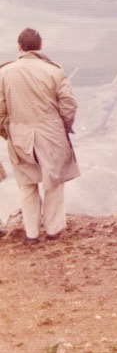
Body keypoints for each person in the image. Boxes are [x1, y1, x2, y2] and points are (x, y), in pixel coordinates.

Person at [0, 28, 80, 245]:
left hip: (19, 135)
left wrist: (8, 131)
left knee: (27, 184)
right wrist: (62, 126)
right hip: (52, 133)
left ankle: (31, 234)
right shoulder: (54, 71)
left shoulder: (4, 72)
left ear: (19, 46)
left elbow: (0, 110)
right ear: (40, 46)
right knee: (53, 181)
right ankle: (54, 231)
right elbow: (69, 105)